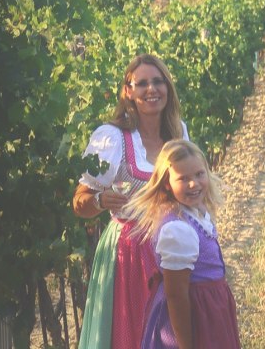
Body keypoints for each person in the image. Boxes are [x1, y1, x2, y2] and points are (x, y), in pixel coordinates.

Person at [72, 54, 189, 349]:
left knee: (175, 331)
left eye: (158, 82)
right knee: (134, 333)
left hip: (173, 245)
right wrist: (99, 200)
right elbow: (79, 200)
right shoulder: (112, 138)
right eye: (143, 84)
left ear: (168, 87)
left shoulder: (178, 133)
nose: (152, 89)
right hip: (130, 252)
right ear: (128, 91)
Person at [124, 139, 241, 349]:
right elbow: (176, 296)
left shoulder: (194, 214)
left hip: (209, 310)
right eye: (183, 178)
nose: (194, 184)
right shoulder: (178, 231)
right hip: (194, 318)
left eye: (199, 174)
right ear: (167, 183)